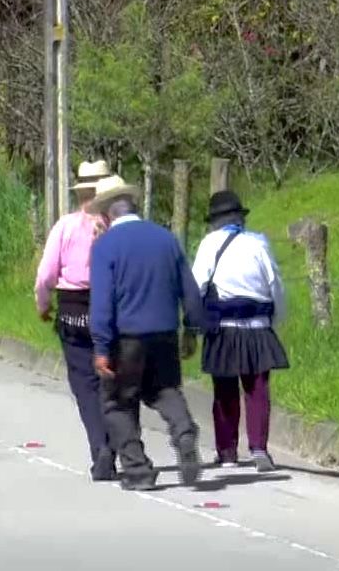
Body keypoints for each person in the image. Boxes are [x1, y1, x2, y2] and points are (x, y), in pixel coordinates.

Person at [88, 175, 209, 491]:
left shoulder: (105, 247)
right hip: (165, 332)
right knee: (165, 389)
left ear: (106, 214)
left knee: (117, 402)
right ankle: (183, 430)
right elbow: (190, 290)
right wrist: (192, 329)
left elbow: (101, 300)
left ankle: (138, 469)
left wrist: (101, 346)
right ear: (133, 206)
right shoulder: (166, 239)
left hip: (126, 337)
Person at [191, 190, 289, 472]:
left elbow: (197, 284)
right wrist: (276, 319)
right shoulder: (259, 243)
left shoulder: (210, 243)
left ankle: (227, 452)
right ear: (238, 217)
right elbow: (275, 284)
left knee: (224, 391)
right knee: (258, 390)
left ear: (215, 220)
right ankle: (259, 448)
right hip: (258, 327)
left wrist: (193, 321)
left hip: (224, 327)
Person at [34, 160, 116, 481]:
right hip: (109, 307)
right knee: (111, 380)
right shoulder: (115, 226)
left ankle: (100, 446)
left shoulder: (66, 226)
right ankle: (114, 441)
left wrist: (43, 305)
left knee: (84, 384)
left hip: (72, 309)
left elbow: (46, 275)